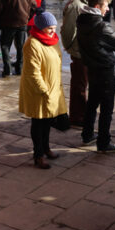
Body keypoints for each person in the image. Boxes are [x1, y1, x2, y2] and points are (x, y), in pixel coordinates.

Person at [19, 11, 69, 170]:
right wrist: (45, 91)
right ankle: (38, 155)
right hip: (39, 91)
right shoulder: (32, 44)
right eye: (49, 28)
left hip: (53, 88)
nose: (53, 31)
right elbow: (32, 72)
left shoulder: (53, 40)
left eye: (54, 27)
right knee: (38, 123)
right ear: (40, 28)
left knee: (47, 122)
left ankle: (46, 148)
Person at [76, 0, 115, 152]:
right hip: (105, 70)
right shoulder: (101, 26)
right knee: (106, 108)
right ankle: (104, 142)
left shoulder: (81, 20)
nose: (107, 10)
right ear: (97, 7)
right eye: (105, 6)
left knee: (92, 103)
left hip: (91, 68)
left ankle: (87, 134)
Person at [61, 0, 97, 128]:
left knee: (81, 85)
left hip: (83, 51)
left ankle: (79, 115)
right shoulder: (76, 6)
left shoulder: (81, 3)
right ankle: (77, 117)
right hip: (79, 52)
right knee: (79, 87)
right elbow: (68, 31)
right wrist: (72, 48)